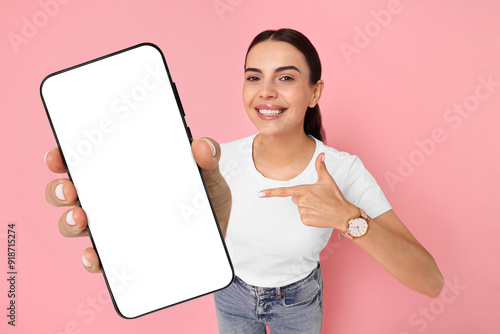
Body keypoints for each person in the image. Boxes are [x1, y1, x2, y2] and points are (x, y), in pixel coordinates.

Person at [45, 29, 443, 333]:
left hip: (299, 302)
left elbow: (431, 281)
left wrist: (348, 219)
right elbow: (161, 220)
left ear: (314, 91)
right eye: (254, 77)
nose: (266, 92)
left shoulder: (342, 170)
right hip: (230, 294)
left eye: (285, 78)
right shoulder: (217, 159)